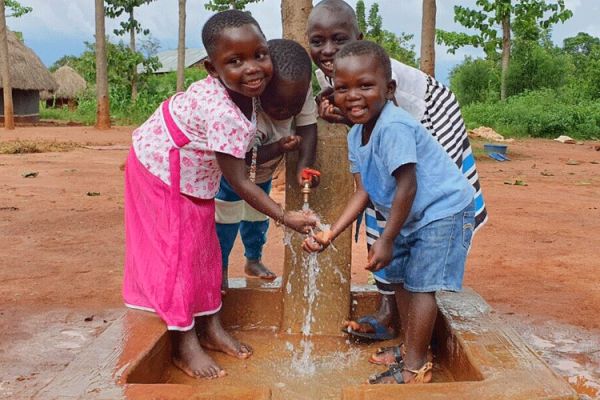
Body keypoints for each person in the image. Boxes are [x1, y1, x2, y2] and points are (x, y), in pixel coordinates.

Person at [122, 10, 316, 380]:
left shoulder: (251, 92)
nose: (252, 68)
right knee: (178, 253)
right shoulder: (223, 111)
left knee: (206, 250)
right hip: (160, 170)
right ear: (212, 68)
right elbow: (242, 181)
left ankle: (210, 327)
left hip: (191, 173)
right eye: (235, 61)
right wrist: (285, 216)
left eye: (259, 55)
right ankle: (183, 342)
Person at [307, 0, 487, 349]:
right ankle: (397, 315)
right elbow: (367, 188)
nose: (328, 50)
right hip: (384, 129)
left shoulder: (388, 87)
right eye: (318, 41)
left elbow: (407, 179)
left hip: (429, 121)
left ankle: (415, 346)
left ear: (358, 36)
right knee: (392, 232)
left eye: (339, 38)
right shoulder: (342, 90)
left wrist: (389, 238)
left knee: (420, 236)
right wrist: (331, 232)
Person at [216, 38, 318, 290]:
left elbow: (309, 129)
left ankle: (253, 260)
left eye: (292, 106)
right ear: (261, 91)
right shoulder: (242, 108)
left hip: (262, 176)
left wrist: (303, 167)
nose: (285, 111)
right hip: (229, 176)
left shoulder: (299, 92)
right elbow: (241, 158)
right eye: (278, 105)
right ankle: (220, 268)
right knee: (224, 223)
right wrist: (277, 147)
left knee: (257, 218)